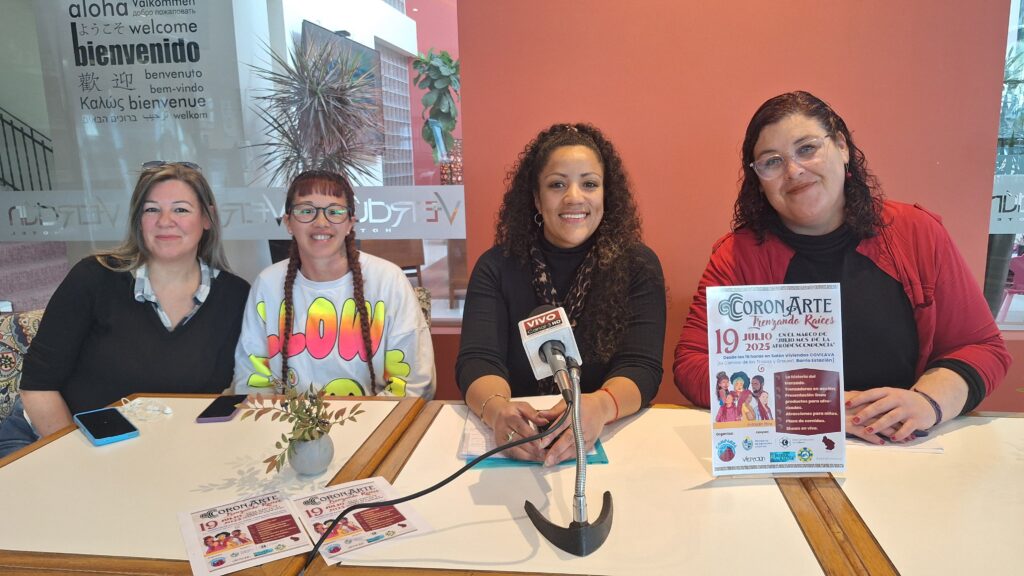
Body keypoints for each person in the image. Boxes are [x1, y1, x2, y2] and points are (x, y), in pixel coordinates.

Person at [673, 91, 1011, 444]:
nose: (794, 171)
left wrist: (928, 403)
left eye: (807, 148)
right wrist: (817, 408)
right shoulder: (737, 255)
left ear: (842, 147)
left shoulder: (916, 233)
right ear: (758, 179)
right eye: (772, 161)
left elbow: (981, 347)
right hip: (789, 444)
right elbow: (692, 364)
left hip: (902, 446)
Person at [0, 162, 249, 458]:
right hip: (49, 439)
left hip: (146, 452)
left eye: (181, 209)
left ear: (207, 218)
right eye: (151, 209)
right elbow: (38, 387)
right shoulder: (94, 278)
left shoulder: (234, 296)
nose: (165, 221)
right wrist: (79, 461)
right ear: (138, 220)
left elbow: (216, 394)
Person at [456, 123, 666, 466]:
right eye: (557, 184)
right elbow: (478, 360)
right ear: (537, 199)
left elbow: (641, 366)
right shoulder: (496, 266)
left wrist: (599, 406)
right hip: (519, 444)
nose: (574, 197)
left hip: (606, 442)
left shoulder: (638, 266)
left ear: (606, 195)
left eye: (589, 184)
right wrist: (497, 411)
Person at [233, 169, 434, 399]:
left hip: (378, 418)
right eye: (306, 211)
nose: (321, 222)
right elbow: (251, 381)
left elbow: (413, 383)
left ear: (350, 224)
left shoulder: (389, 280)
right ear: (288, 222)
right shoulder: (267, 285)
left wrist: (370, 420)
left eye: (335, 212)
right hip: (287, 420)